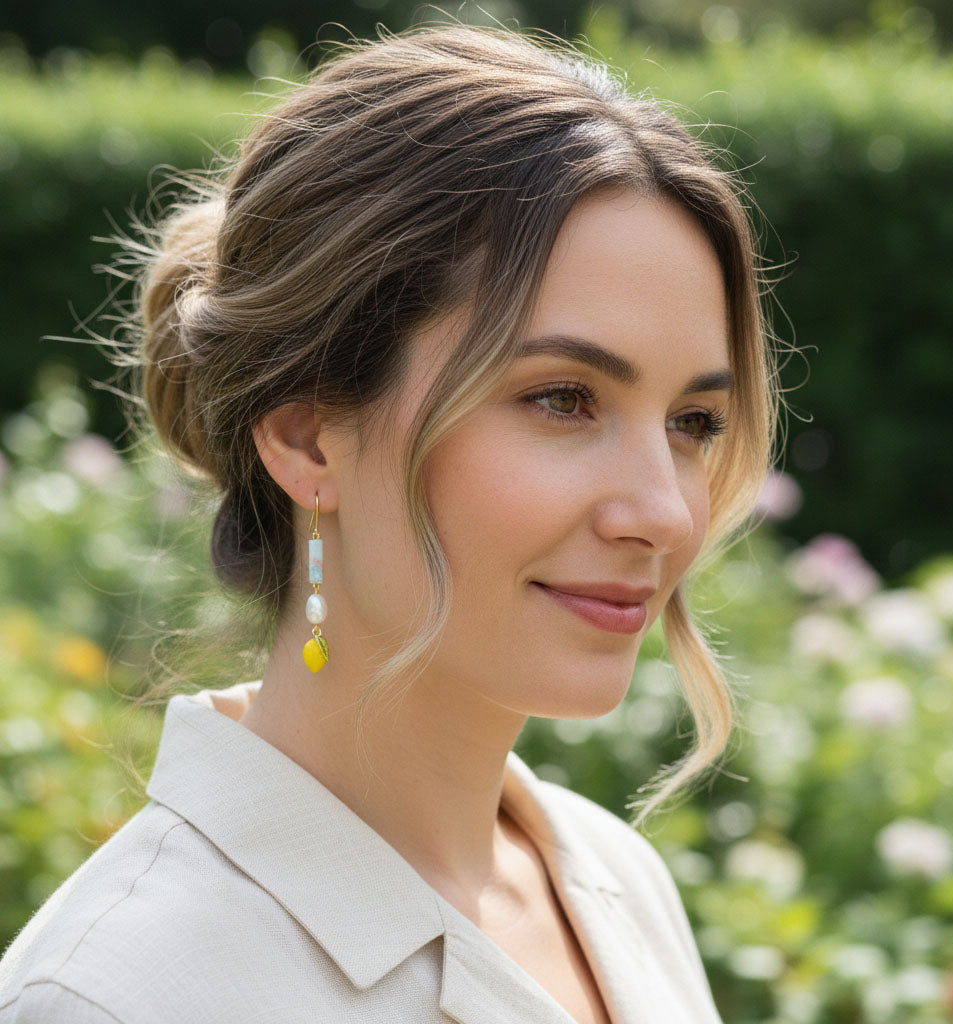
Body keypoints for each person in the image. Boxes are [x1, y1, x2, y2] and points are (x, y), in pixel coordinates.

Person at [0, 23, 776, 1024]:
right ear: (310, 437)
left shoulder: (614, 881)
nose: (664, 511)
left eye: (692, 422)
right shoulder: (118, 995)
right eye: (561, 399)